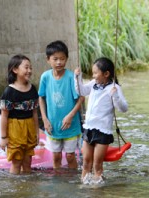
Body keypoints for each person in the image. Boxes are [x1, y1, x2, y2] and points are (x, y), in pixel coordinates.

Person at [75, 57, 128, 184]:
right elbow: (81, 90)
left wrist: (115, 95)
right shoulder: (94, 84)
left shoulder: (114, 88)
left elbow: (123, 108)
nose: (93, 76)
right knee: (86, 162)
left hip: (103, 130)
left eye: (95, 73)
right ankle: (83, 188)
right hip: (89, 128)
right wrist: (77, 77)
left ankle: (96, 192)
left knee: (97, 164)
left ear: (106, 74)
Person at [38, 40, 84, 169]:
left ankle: (73, 181)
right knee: (56, 156)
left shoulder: (71, 77)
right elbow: (41, 97)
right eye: (55, 59)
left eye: (62, 59)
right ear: (48, 60)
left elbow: (81, 98)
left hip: (71, 125)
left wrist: (70, 116)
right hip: (52, 126)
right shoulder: (45, 77)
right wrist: (45, 119)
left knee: (70, 156)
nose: (59, 62)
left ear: (66, 59)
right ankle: (58, 182)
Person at [0, 54, 39, 174]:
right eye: (26, 67)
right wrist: (4, 137)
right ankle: (15, 188)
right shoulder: (9, 91)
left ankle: (28, 188)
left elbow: (34, 113)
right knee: (16, 162)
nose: (29, 71)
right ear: (15, 70)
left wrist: (36, 133)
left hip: (29, 127)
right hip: (15, 128)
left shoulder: (32, 89)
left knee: (28, 162)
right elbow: (4, 115)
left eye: (30, 68)